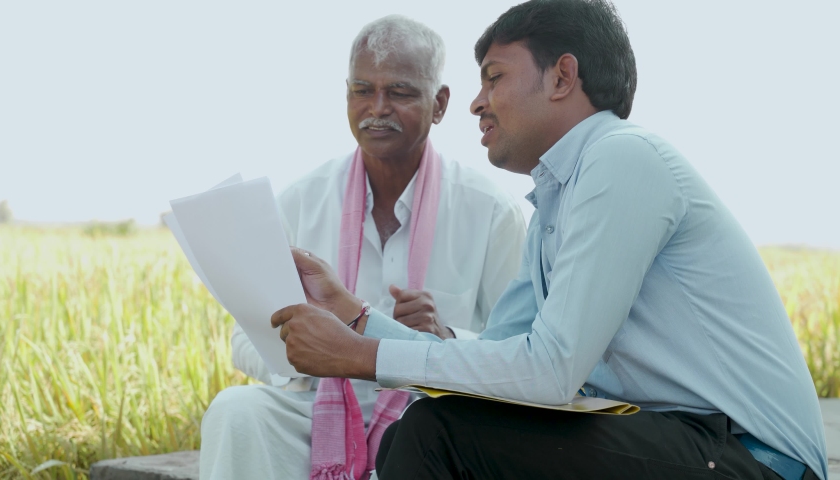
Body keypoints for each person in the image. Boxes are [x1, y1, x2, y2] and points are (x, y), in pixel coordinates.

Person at [271, 1, 829, 478]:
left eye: (494, 77)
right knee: (411, 437)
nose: (475, 102)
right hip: (676, 441)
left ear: (563, 77)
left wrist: (360, 356)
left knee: (436, 433)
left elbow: (551, 370)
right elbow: (494, 359)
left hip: (753, 459)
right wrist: (357, 318)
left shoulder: (622, 158)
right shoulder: (557, 201)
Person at [198, 14, 527, 480]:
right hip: (317, 414)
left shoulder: (491, 210)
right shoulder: (300, 199)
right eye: (361, 90)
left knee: (427, 432)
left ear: (440, 103)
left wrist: (447, 338)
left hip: (432, 420)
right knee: (238, 411)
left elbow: (521, 350)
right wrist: (310, 349)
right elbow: (244, 339)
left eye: (399, 92)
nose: (377, 108)